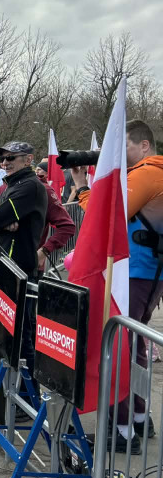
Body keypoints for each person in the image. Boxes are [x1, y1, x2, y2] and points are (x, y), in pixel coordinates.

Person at [72, 120, 163, 452]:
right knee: (134, 346)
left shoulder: (148, 172)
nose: (120, 154)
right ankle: (139, 419)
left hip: (133, 273)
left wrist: (82, 189)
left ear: (144, 146)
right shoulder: (151, 172)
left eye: (124, 146)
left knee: (118, 348)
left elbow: (104, 215)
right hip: (145, 272)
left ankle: (121, 431)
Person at [0, 141, 48, 368]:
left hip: (18, 272)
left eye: (11, 158)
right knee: (3, 333)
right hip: (3, 267)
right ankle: (4, 389)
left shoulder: (30, 186)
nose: (5, 163)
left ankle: (26, 395)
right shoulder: (10, 186)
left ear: (28, 159)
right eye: (2, 158)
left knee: (20, 337)